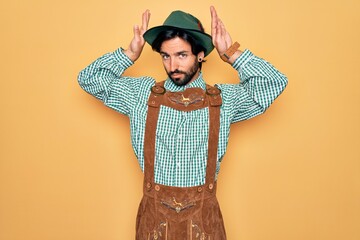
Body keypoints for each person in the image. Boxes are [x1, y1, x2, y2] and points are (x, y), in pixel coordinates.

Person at [78, 6, 287, 240]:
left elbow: (274, 82)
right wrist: (129, 54)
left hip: (204, 226)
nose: (172, 66)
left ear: (200, 54)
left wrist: (230, 53)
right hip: (153, 225)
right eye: (165, 56)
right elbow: (88, 78)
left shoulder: (223, 100)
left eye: (182, 55)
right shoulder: (141, 95)